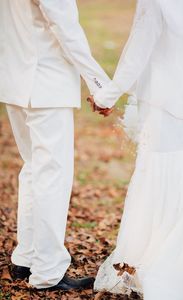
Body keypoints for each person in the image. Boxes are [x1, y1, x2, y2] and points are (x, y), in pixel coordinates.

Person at [89, 0, 183, 299]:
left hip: (166, 106)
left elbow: (137, 54)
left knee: (159, 179)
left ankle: (157, 255)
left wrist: (107, 96)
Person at [0, 0, 112, 291]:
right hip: (46, 82)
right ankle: (48, 271)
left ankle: (26, 257)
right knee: (52, 175)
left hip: (15, 79)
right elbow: (65, 26)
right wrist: (99, 83)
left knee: (34, 170)